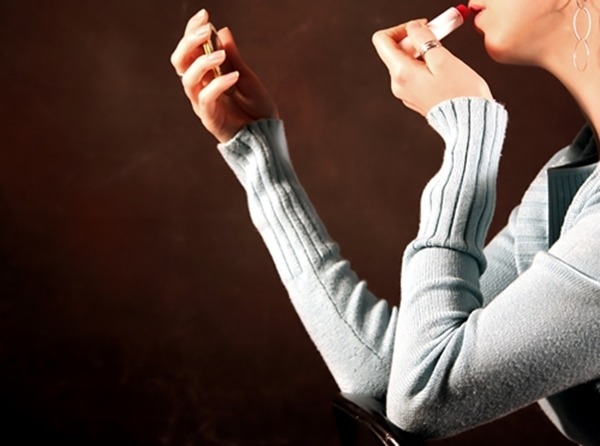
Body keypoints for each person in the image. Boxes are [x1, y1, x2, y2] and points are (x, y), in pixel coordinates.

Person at [170, 2, 600, 444]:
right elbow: (385, 374)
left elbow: (424, 398)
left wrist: (469, 134)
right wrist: (258, 151)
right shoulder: (579, 169)